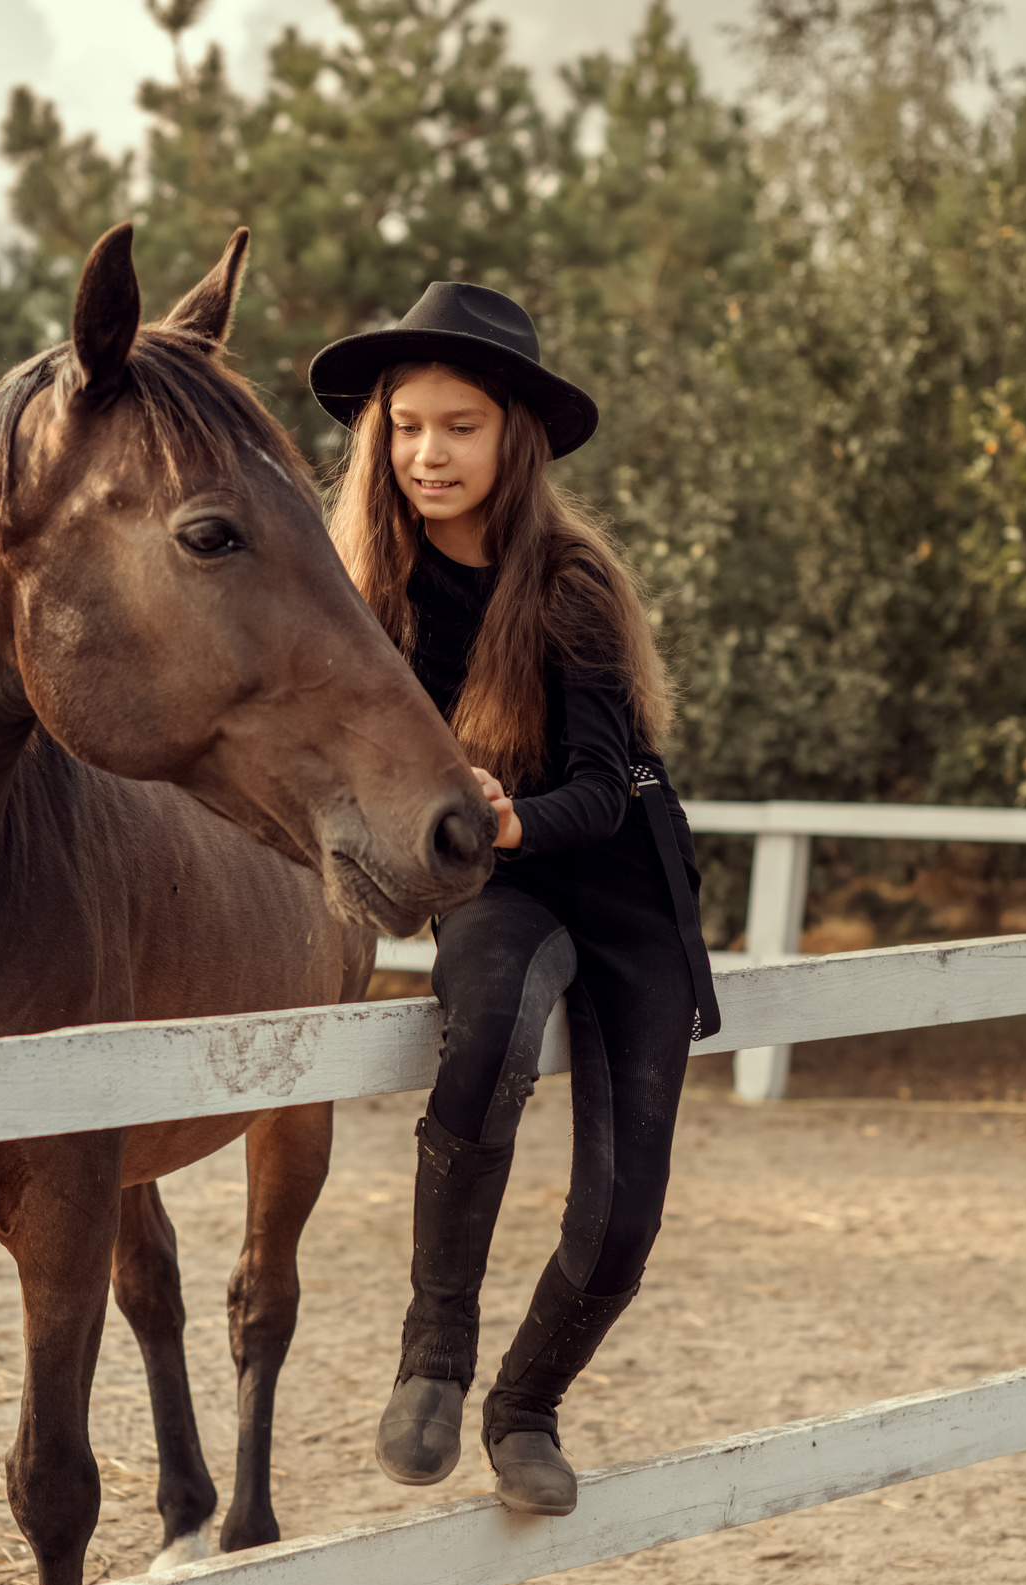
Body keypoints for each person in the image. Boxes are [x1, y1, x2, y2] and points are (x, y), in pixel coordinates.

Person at [309, 282, 724, 1516]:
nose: (429, 453)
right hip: (497, 885)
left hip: (616, 880)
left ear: (514, 438)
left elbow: (603, 790)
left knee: (622, 1215)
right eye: (407, 426)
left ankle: (526, 1403)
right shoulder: (355, 589)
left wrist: (508, 815)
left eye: (461, 426)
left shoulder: (569, 583)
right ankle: (432, 1361)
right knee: (483, 1028)